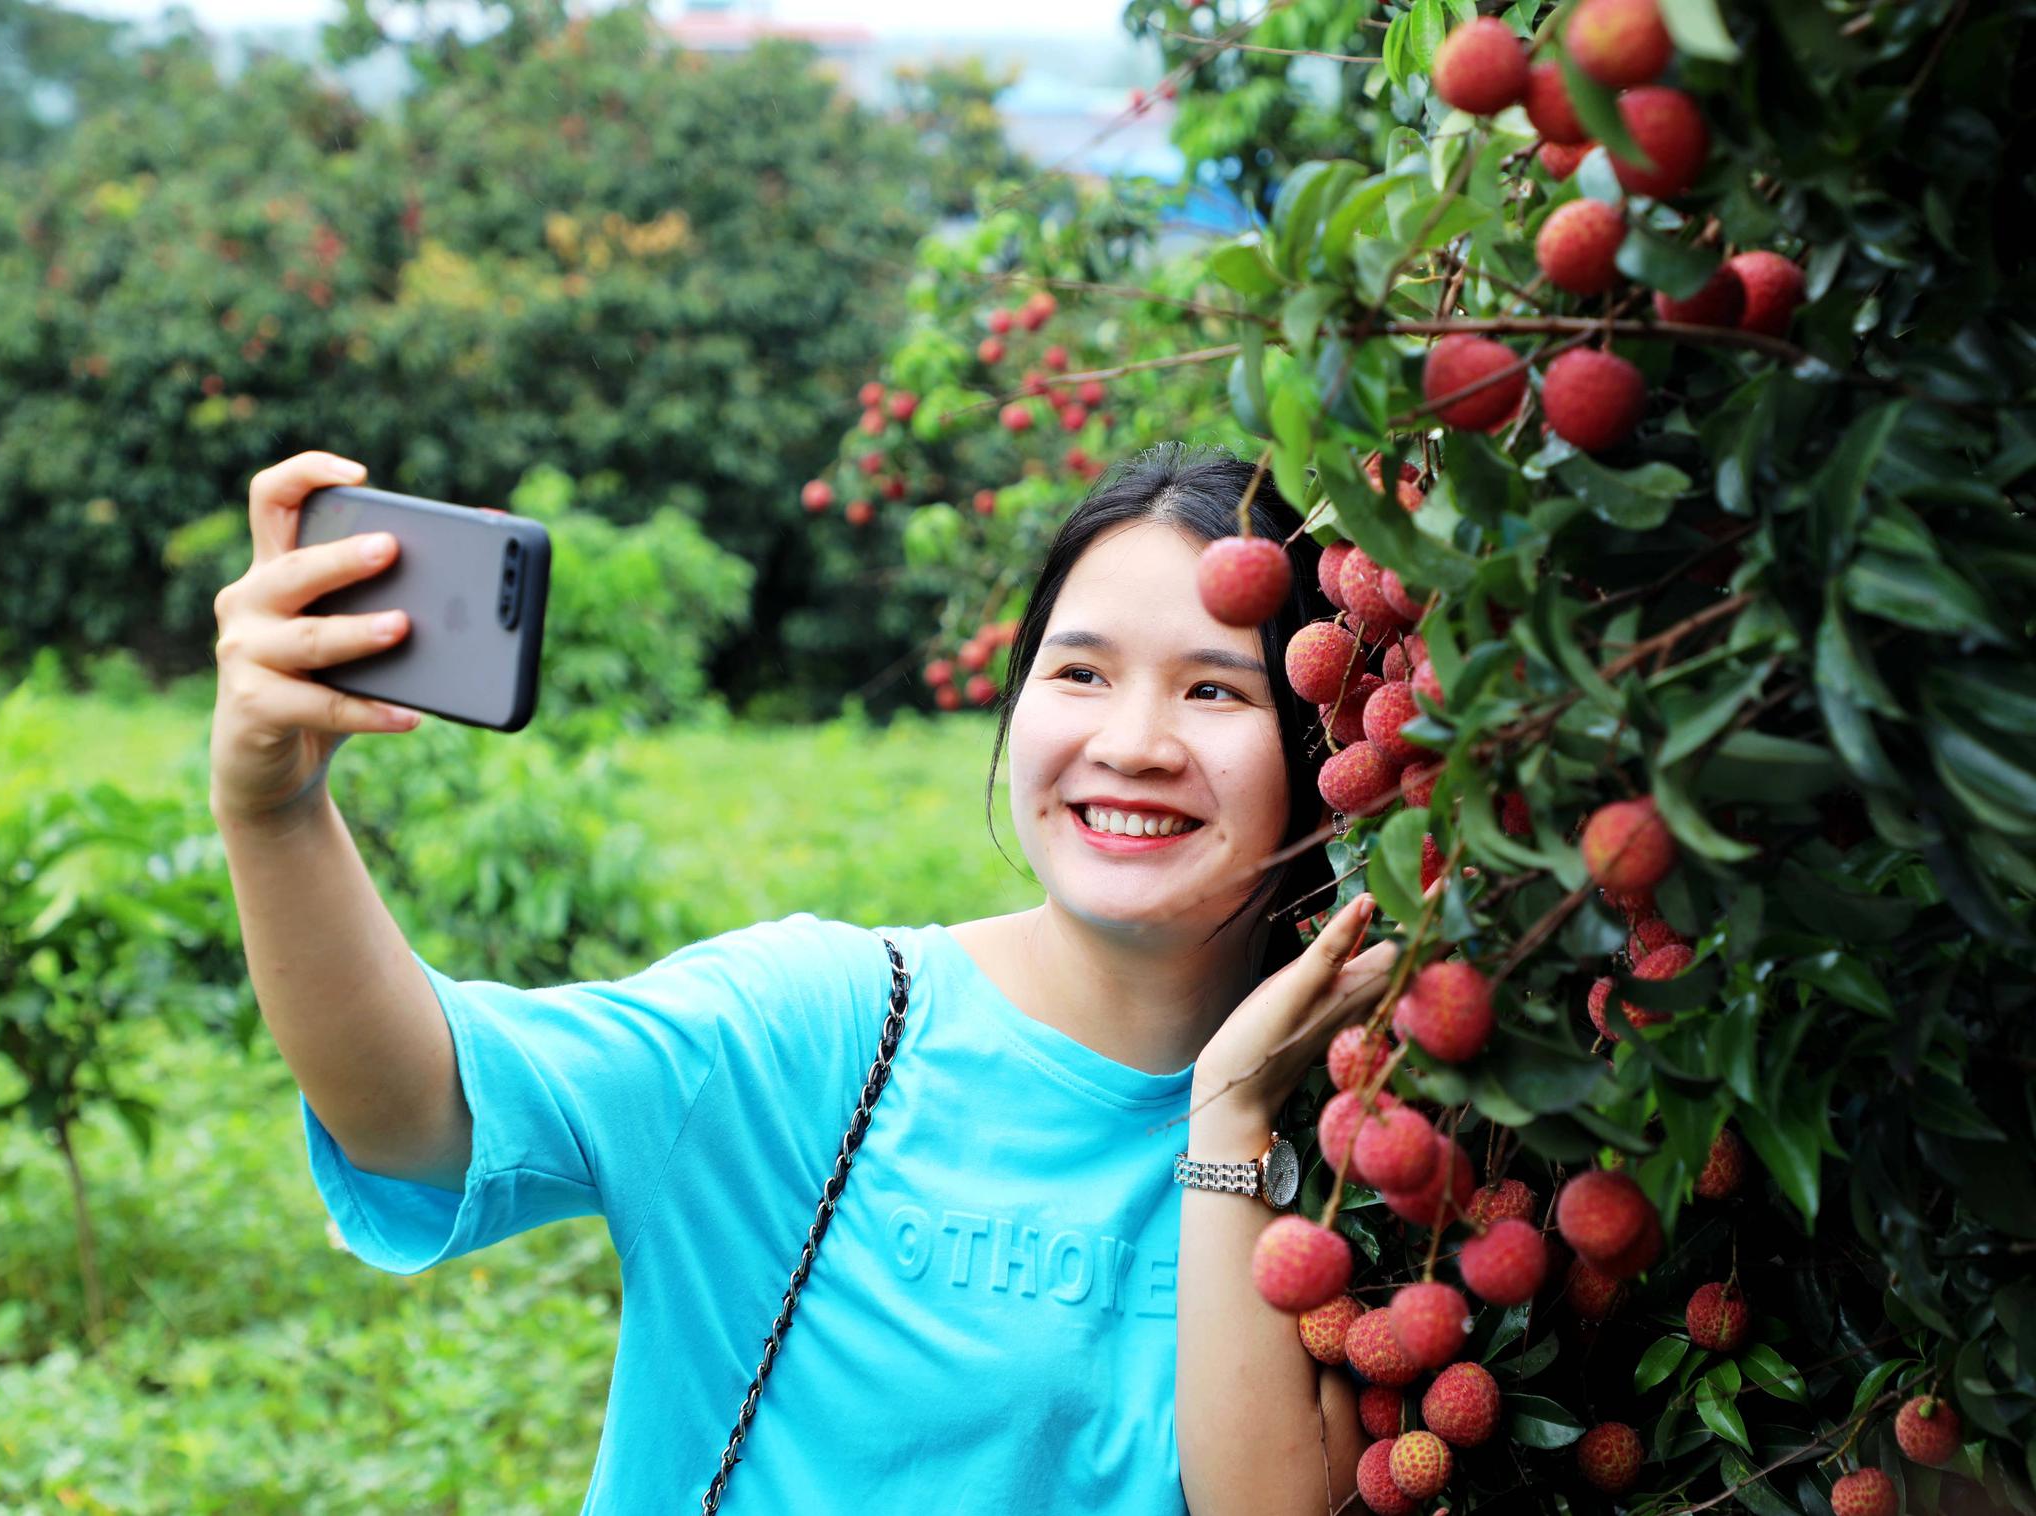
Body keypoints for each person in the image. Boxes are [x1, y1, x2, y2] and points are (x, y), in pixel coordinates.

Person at [209, 441, 1397, 1514]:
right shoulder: (818, 1028)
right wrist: (274, 812)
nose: (1132, 742)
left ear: (1318, 748)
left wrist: (1232, 1111)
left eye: (1212, 689)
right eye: (1078, 672)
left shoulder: (1370, 1132)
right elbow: (418, 1115)